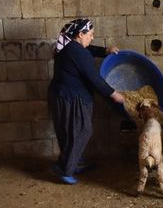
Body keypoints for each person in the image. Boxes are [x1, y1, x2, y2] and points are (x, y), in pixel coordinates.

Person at [48, 18, 125, 184]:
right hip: (72, 98)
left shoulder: (70, 46)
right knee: (82, 131)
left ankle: (74, 163)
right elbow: (94, 79)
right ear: (80, 34)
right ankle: (65, 170)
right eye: (90, 34)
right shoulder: (78, 52)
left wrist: (105, 50)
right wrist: (113, 94)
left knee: (68, 132)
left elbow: (89, 49)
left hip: (59, 94)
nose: (91, 38)